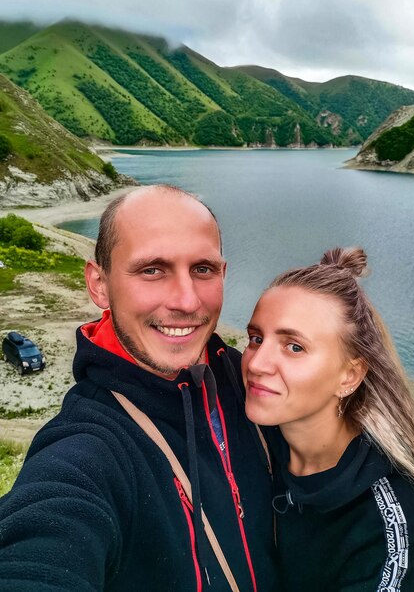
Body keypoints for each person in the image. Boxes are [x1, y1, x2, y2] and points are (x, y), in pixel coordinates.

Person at [0, 185, 278, 592]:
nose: (186, 300)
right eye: (152, 270)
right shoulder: (88, 447)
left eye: (203, 269)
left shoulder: (250, 380)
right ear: (98, 283)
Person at [242, 247, 414, 592]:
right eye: (256, 338)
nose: (256, 363)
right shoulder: (255, 435)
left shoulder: (397, 525)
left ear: (350, 376)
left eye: (294, 347)